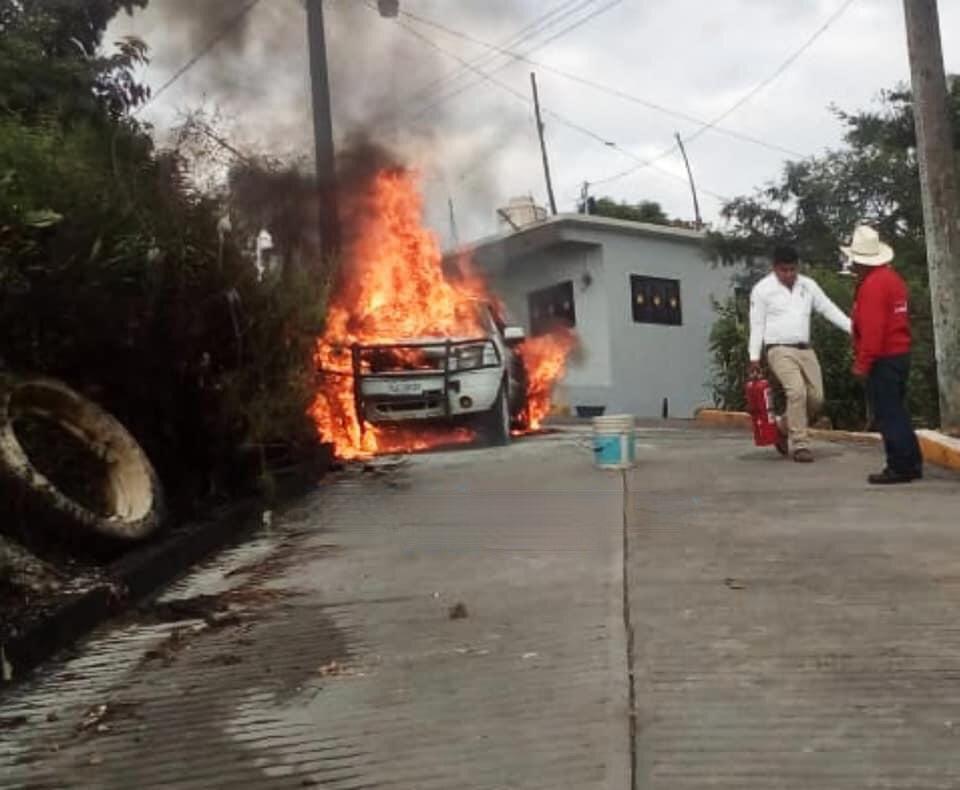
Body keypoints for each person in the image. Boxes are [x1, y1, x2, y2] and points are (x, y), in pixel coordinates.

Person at [748, 245, 852, 462]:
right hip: (778, 348)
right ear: (774, 268)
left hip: (805, 348)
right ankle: (800, 445)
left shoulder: (808, 285)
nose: (789, 275)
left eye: (793, 270)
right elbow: (757, 324)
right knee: (796, 392)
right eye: (784, 270)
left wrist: (853, 329)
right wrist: (754, 356)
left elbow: (827, 308)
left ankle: (782, 427)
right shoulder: (762, 289)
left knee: (816, 398)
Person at [843, 225, 923, 484]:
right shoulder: (893, 279)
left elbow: (873, 330)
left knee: (888, 413)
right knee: (898, 411)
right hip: (899, 354)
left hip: (884, 357)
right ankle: (911, 462)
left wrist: (862, 364)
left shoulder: (873, 286)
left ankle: (899, 466)